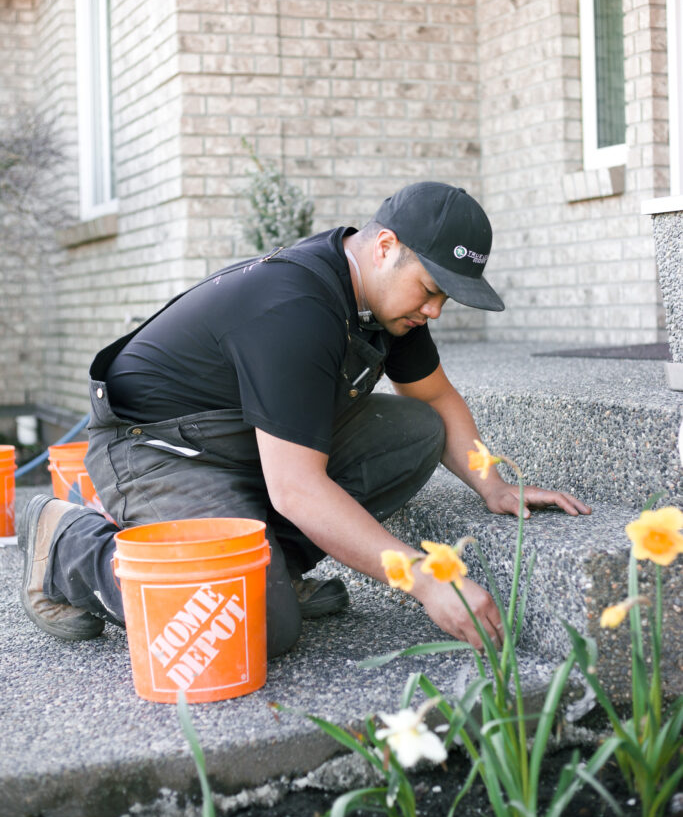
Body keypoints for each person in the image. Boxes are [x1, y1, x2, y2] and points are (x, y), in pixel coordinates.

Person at [19, 181, 590, 660]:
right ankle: (69, 543)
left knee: (416, 431)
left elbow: (437, 398)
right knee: (257, 626)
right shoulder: (295, 308)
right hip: (155, 449)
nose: (435, 310)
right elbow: (297, 489)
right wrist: (424, 578)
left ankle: (273, 565)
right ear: (386, 246)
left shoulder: (384, 305)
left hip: (244, 442)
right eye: (432, 289)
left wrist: (492, 483)